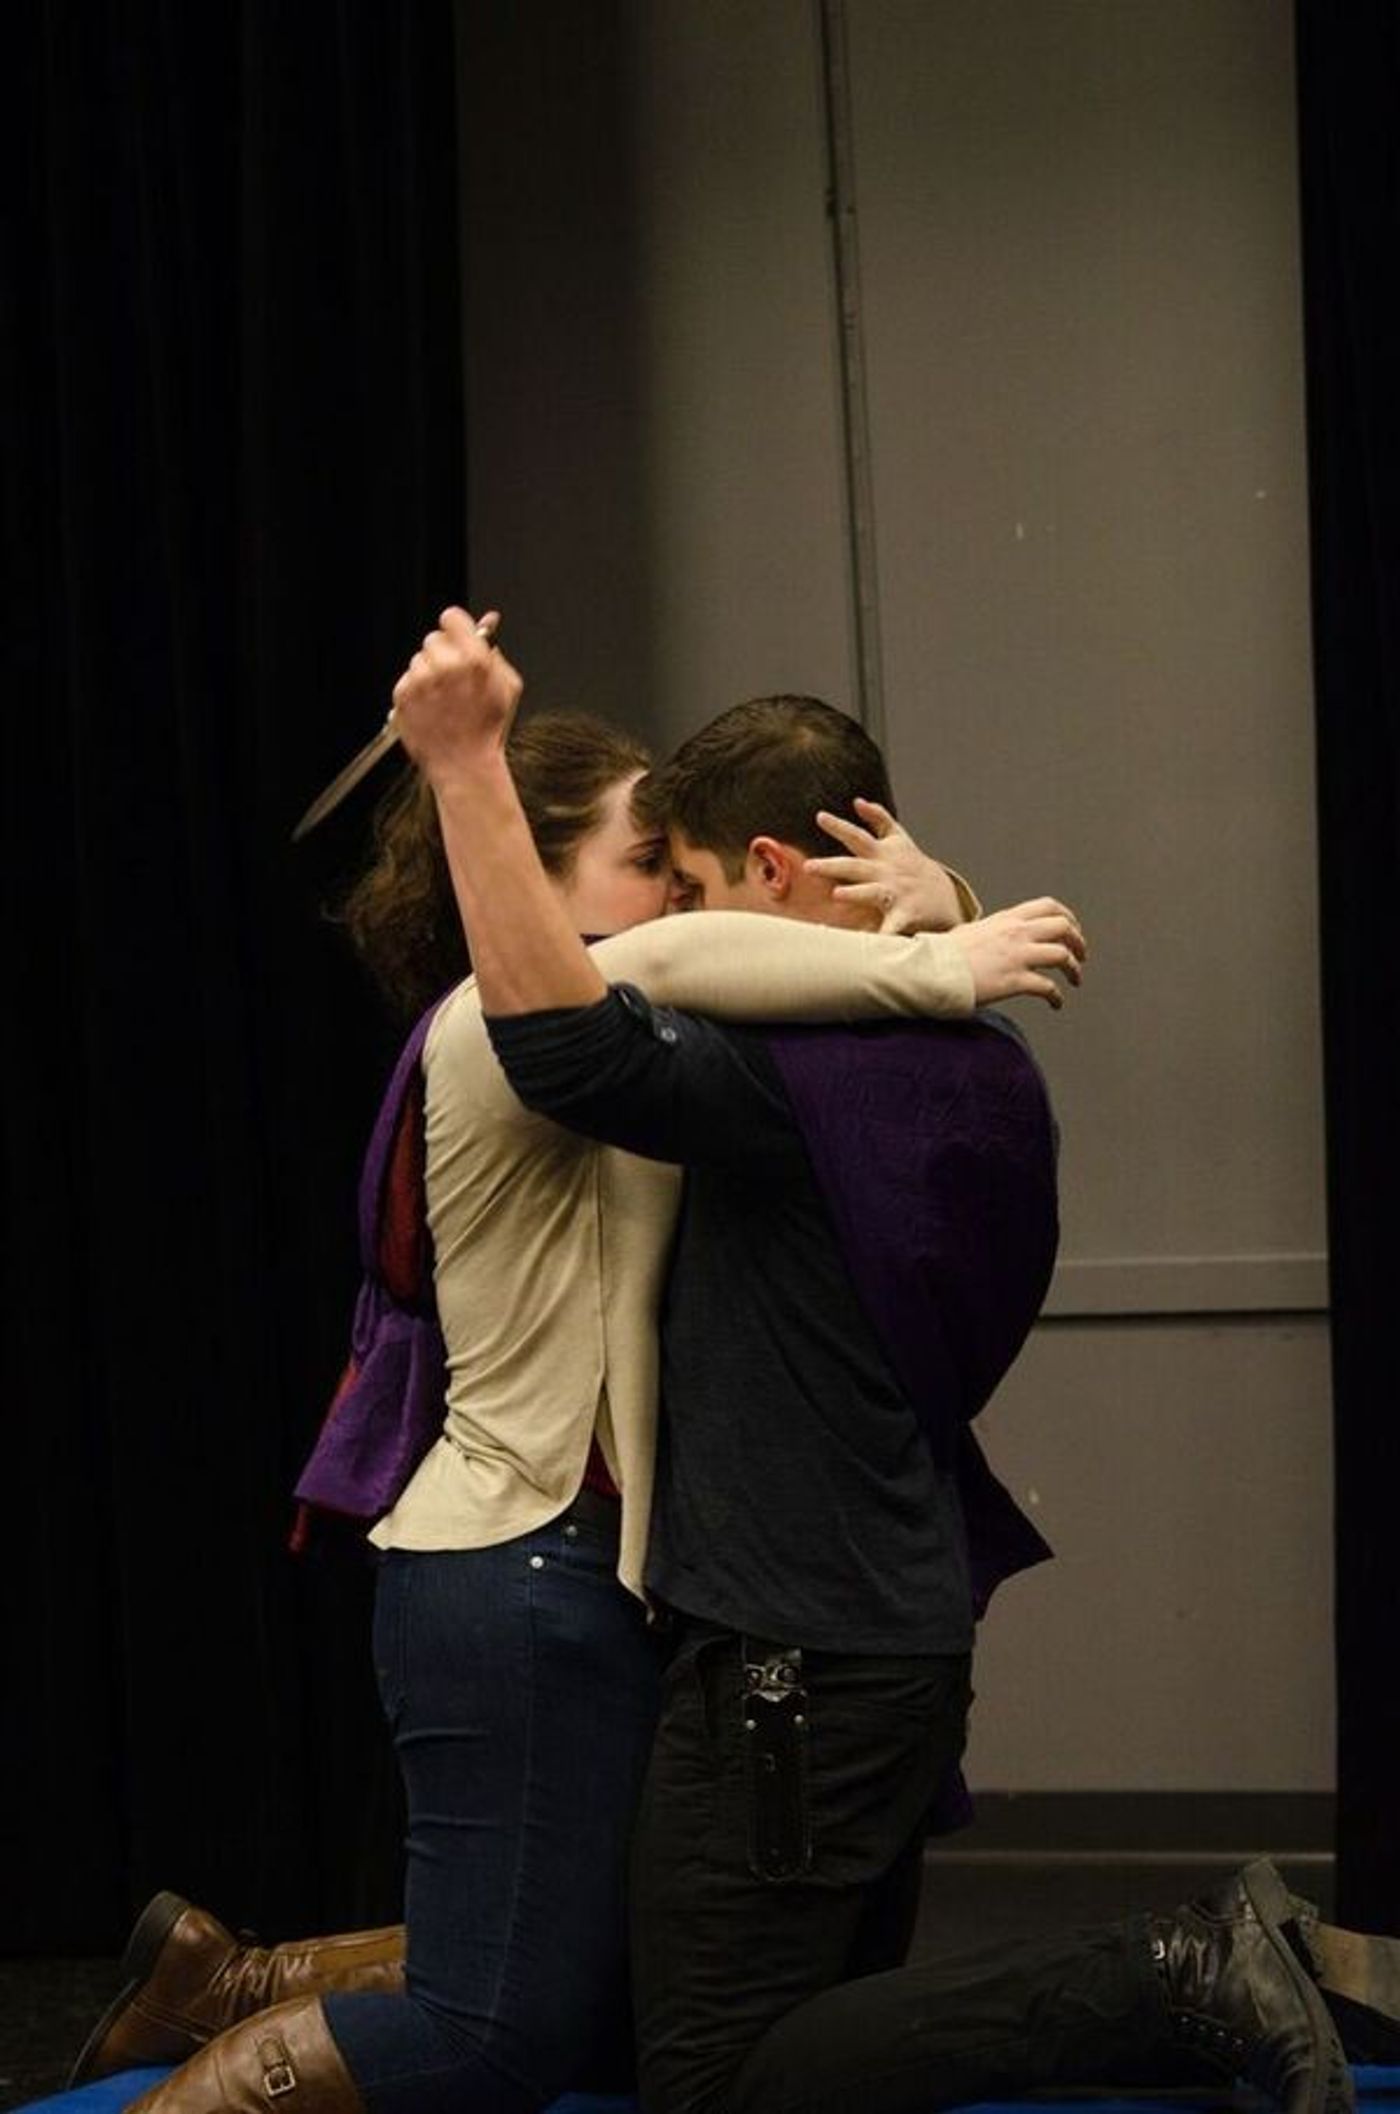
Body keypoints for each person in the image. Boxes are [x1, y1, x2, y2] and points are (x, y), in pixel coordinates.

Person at [368, 610, 1381, 2114]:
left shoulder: (768, 1078)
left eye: (688, 877)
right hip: (888, 1628)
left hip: (790, 1659)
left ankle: (1172, 1965)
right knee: (821, 2041)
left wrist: (461, 769)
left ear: (771, 875)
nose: (670, 913)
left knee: (706, 2076)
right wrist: (943, 906)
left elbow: (573, 1040)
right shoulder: (979, 1047)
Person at [80, 688, 1089, 2114]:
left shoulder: (630, 1005)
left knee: (587, 1986)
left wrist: (922, 905)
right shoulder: (506, 1019)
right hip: (513, 1564)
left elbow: (791, 984)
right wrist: (936, 945)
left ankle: (231, 1982)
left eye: (685, 867)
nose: (674, 892)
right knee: (500, 2035)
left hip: (581, 1571)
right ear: (537, 880)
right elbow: (726, 946)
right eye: (646, 860)